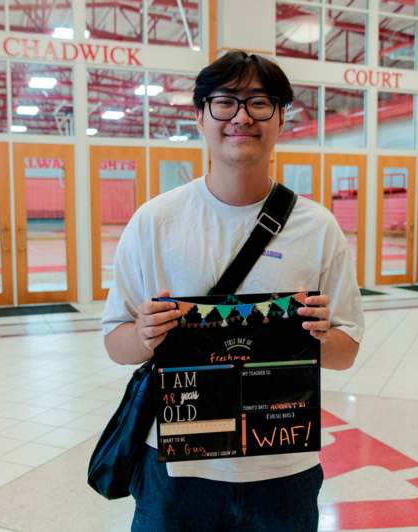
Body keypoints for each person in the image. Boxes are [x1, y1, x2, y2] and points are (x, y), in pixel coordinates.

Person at [102, 50, 365, 532]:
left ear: (282, 118)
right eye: (225, 102)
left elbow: (346, 352)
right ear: (200, 115)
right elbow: (114, 344)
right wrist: (142, 334)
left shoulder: (318, 227)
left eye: (260, 102)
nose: (242, 116)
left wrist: (321, 334)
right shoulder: (154, 223)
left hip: (283, 469)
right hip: (177, 469)